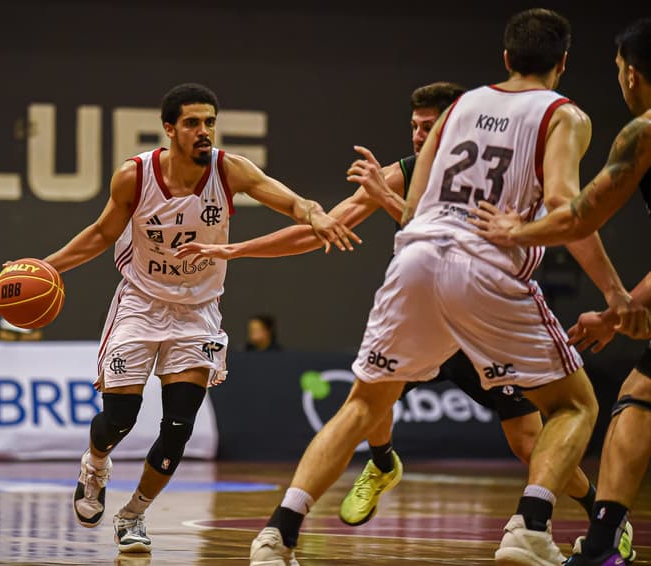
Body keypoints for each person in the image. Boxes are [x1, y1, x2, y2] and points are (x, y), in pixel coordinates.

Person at [239, 8, 646, 564]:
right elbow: (563, 206)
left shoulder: (459, 106)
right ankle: (529, 527)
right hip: (486, 263)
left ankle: (278, 534)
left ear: (505, 58)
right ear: (564, 63)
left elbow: (417, 208)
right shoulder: (563, 114)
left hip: (417, 257)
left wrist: (388, 203)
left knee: (362, 405)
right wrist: (615, 293)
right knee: (575, 404)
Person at [176, 80, 609, 538]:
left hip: (481, 320)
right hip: (427, 311)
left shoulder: (495, 168)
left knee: (527, 443)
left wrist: (390, 201)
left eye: (429, 126)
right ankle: (382, 464)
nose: (420, 136)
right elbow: (325, 228)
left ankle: (597, 508)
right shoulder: (405, 168)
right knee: (371, 396)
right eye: (414, 127)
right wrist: (235, 250)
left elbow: (477, 238)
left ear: (458, 122)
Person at [0, 83, 358, 554]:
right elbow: (101, 234)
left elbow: (289, 201)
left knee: (178, 426)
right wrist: (42, 266)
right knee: (119, 418)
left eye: (209, 123)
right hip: (140, 304)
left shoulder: (230, 170)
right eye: (192, 123)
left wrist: (314, 213)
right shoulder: (134, 176)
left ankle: (134, 514)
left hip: (197, 311)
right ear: (169, 129)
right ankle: (94, 467)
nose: (204, 132)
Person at [472, 17, 651, 566]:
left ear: (633, 74)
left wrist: (516, 232)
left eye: (619, 70)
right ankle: (598, 544)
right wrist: (620, 306)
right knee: (639, 394)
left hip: (446, 274)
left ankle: (593, 543)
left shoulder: (642, 132)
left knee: (619, 400)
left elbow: (576, 212)